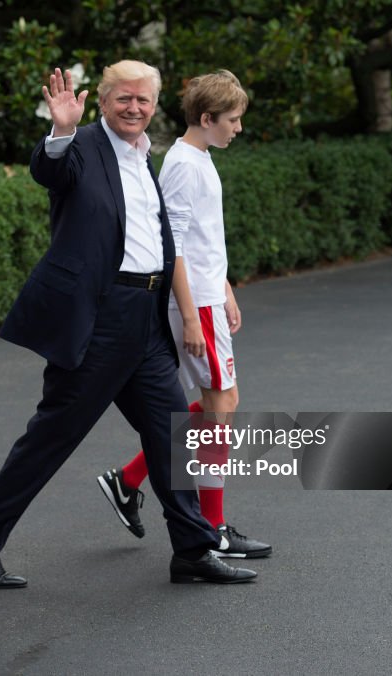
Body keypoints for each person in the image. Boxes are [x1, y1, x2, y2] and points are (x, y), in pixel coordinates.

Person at [0, 61, 257, 587]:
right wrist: (62, 129)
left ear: (154, 105)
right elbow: (51, 172)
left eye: (143, 100)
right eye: (123, 99)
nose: (133, 108)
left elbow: (163, 237)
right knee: (52, 437)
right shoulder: (82, 147)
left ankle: (192, 549)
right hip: (99, 320)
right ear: (103, 102)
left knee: (170, 435)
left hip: (146, 318)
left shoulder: (145, 157)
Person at [96, 70, 272, 560]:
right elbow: (169, 245)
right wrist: (193, 315)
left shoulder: (198, 157)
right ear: (207, 117)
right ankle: (212, 527)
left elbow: (201, 241)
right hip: (194, 304)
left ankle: (129, 481)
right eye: (233, 120)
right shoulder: (184, 165)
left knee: (219, 406)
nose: (238, 128)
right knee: (222, 407)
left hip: (207, 297)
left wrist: (226, 287)